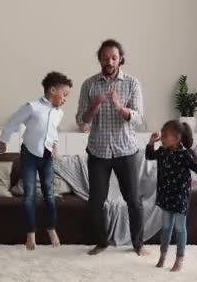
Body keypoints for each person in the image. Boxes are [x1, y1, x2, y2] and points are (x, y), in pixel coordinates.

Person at [75, 39, 146, 255]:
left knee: (133, 200)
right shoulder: (89, 84)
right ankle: (101, 242)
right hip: (98, 151)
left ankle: (138, 245)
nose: (109, 61)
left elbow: (138, 119)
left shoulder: (132, 83)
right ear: (100, 59)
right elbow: (81, 121)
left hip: (126, 150)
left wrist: (119, 107)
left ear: (120, 59)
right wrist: (94, 107)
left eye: (113, 57)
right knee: (96, 201)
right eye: (105, 58)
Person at [0, 72, 73, 250]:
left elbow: (53, 132)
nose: (65, 99)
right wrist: (3, 140)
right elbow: (13, 122)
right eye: (64, 94)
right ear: (53, 90)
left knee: (49, 195)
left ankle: (51, 229)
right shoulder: (32, 107)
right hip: (29, 155)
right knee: (29, 196)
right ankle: (30, 234)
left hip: (46, 157)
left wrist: (54, 146)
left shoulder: (59, 113)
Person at [145, 120, 197, 272]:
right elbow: (149, 156)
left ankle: (180, 258)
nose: (163, 138)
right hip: (166, 195)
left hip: (180, 197)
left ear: (177, 138)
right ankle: (163, 255)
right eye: (162, 135)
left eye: (165, 136)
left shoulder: (185, 155)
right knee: (166, 227)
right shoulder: (162, 151)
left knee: (180, 227)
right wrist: (151, 143)